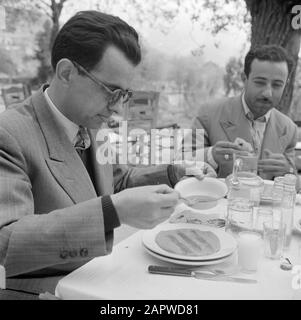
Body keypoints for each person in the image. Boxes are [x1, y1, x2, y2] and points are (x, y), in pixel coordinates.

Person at [0, 11, 215, 277]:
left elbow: (117, 182)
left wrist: (174, 172)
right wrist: (111, 212)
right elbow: (5, 244)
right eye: (110, 91)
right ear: (66, 72)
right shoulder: (9, 134)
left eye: (123, 94)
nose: (116, 108)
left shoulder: (90, 123)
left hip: (100, 274)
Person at [185, 45, 298, 180]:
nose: (268, 93)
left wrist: (288, 170)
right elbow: (179, 163)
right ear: (244, 78)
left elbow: (295, 184)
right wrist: (211, 155)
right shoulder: (208, 114)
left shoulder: (289, 129)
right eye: (260, 82)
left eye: (277, 85)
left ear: (286, 84)